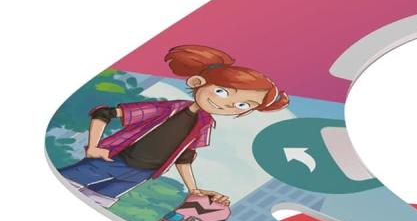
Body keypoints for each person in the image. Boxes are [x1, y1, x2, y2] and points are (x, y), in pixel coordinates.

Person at [59, 44, 288, 207]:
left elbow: (184, 156)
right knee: (63, 184)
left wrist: (193, 190)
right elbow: (104, 113)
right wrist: (93, 147)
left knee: (98, 204)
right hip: (114, 160)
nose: (228, 105)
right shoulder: (167, 109)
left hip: (142, 174)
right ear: (197, 82)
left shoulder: (205, 123)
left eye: (242, 105)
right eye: (222, 92)